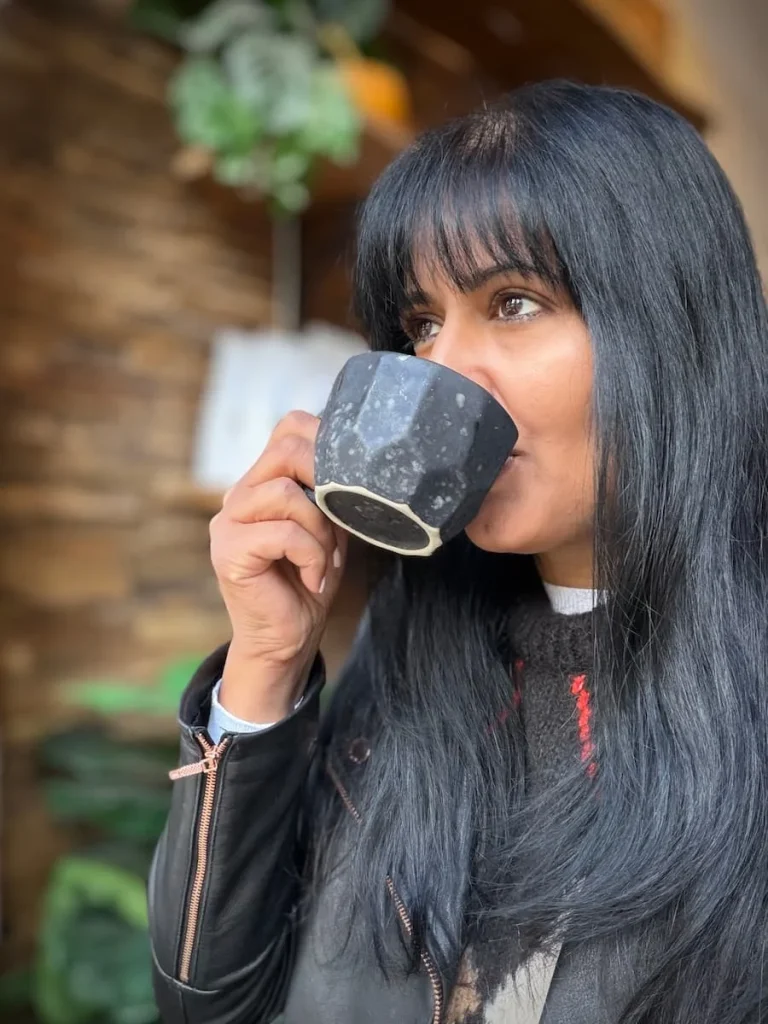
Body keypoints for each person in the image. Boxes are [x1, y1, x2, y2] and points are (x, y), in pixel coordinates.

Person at [147, 80, 768, 1024]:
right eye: (422, 325)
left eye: (514, 302)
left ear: (673, 329)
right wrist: (264, 674)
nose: (442, 372)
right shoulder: (413, 652)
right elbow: (210, 1008)